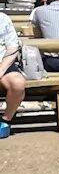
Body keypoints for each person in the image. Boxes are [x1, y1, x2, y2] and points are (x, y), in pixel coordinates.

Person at [0, 9, 25, 140]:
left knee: (18, 83)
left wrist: (1, 70)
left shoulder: (3, 18)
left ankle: (6, 120)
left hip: (3, 62)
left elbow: (12, 47)